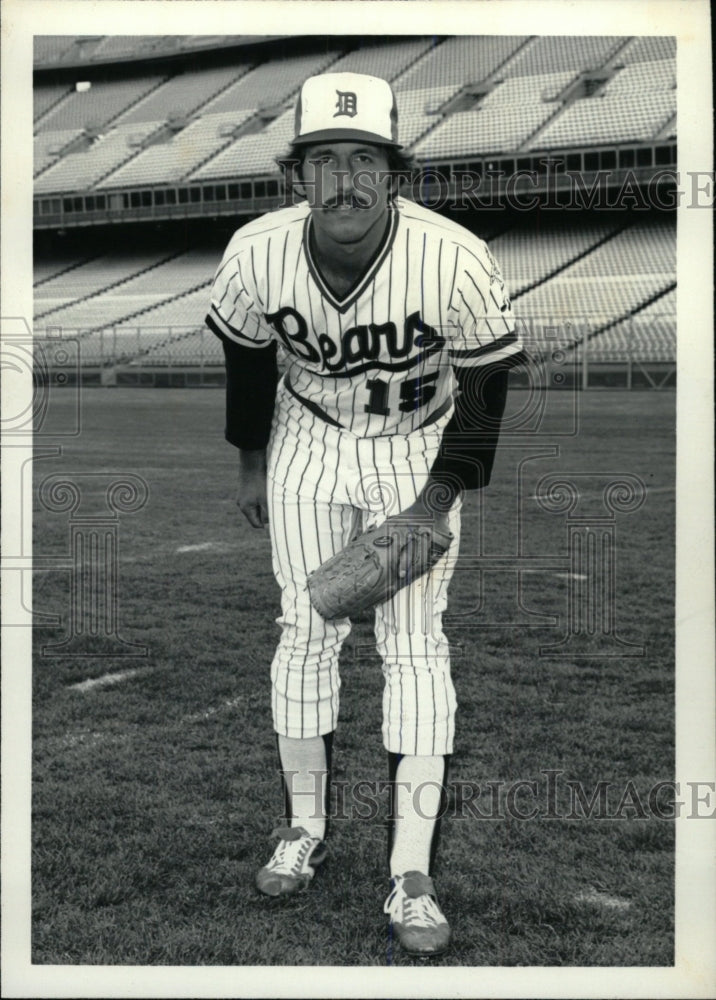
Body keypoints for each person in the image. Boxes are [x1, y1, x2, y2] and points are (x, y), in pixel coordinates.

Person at [206, 71, 524, 957]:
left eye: (365, 161)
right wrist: (250, 464)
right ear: (296, 175)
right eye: (323, 160)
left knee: (415, 642)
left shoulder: (451, 255)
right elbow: (244, 357)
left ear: (395, 173)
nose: (344, 179)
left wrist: (434, 503)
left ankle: (412, 871)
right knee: (303, 629)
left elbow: (492, 385)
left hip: (419, 443)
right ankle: (303, 829)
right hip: (306, 437)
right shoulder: (257, 252)